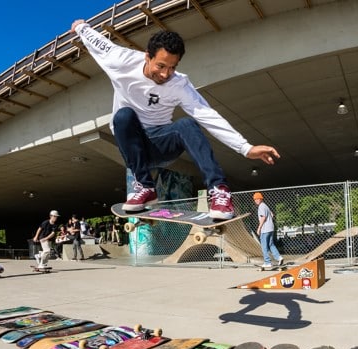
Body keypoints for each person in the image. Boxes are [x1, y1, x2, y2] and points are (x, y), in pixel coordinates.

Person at [70, 20, 280, 218]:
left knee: (186, 124)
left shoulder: (179, 85)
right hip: (133, 146)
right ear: (147, 57)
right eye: (160, 66)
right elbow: (98, 42)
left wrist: (246, 148)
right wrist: (81, 28)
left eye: (172, 67)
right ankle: (145, 186)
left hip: (160, 144)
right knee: (122, 116)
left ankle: (218, 191)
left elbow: (206, 114)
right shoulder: (120, 61)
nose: (165, 74)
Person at [253, 192, 283, 269]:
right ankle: (279, 257)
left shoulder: (261, 207)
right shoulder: (266, 206)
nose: (256, 200)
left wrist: (259, 228)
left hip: (265, 229)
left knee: (264, 246)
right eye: (255, 199)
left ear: (260, 199)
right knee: (271, 244)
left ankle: (267, 262)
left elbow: (263, 218)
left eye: (257, 199)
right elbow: (272, 215)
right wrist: (269, 220)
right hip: (271, 228)